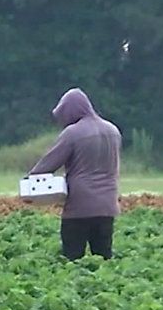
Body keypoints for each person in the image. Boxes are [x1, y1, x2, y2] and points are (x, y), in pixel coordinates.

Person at [28, 88, 121, 260]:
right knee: (103, 257)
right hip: (108, 206)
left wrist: (30, 181)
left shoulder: (73, 133)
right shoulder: (113, 131)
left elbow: (49, 163)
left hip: (79, 208)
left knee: (73, 258)